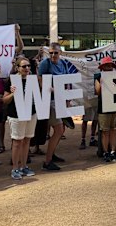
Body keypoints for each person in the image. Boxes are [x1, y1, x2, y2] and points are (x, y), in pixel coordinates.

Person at [38, 42, 78, 171]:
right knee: (59, 130)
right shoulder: (45, 63)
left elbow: (66, 82)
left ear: (60, 52)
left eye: (55, 52)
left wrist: (67, 98)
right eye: (51, 53)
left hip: (60, 100)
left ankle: (52, 154)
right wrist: (49, 88)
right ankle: (47, 161)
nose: (53, 55)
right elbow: (39, 79)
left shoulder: (64, 63)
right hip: (50, 101)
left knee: (61, 130)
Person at [2, 57, 37, 180]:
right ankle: (15, 168)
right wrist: (13, 93)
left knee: (27, 141)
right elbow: (5, 100)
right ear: (17, 68)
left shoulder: (33, 80)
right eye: (24, 66)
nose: (27, 68)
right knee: (17, 142)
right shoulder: (11, 81)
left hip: (31, 114)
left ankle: (24, 166)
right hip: (16, 115)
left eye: (28, 66)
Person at [95, 57, 116, 162]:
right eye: (106, 66)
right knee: (105, 131)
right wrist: (102, 83)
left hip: (115, 106)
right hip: (104, 107)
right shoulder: (98, 77)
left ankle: (113, 151)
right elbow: (97, 92)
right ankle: (106, 152)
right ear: (102, 67)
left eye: (110, 66)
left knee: (113, 130)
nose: (108, 68)